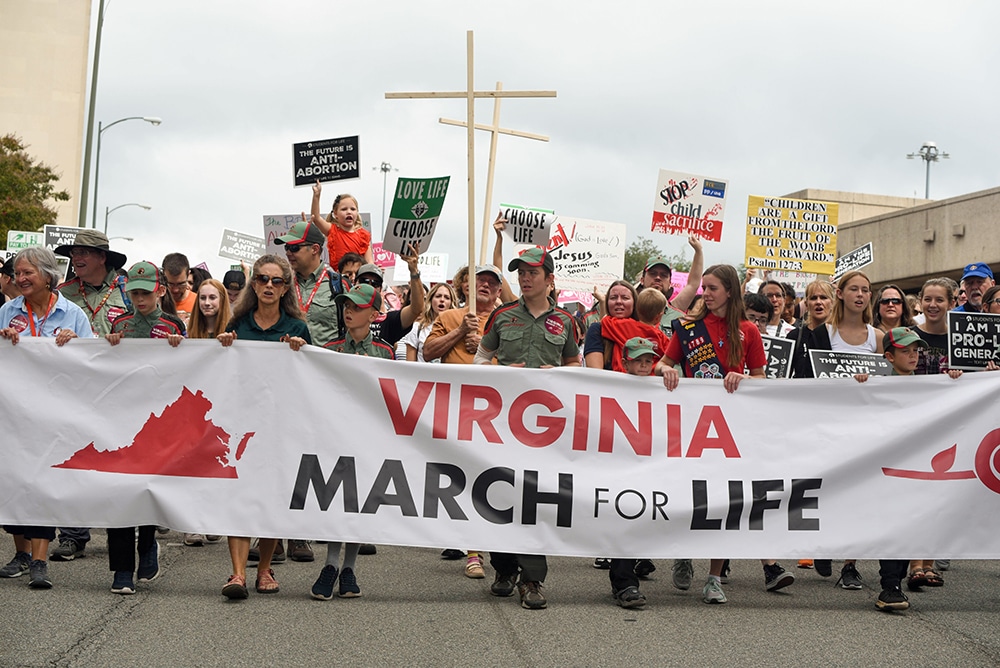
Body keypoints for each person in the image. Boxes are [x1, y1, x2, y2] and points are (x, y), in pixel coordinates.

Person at [656, 264, 792, 604]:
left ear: (729, 291)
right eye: (704, 287)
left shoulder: (748, 331)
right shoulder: (688, 328)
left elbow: (762, 377)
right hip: (691, 425)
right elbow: (662, 362)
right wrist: (666, 373)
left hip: (730, 429)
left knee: (723, 501)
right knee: (689, 494)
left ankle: (715, 577)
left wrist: (745, 378)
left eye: (713, 287)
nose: (707, 293)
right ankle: (684, 552)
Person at [476, 247, 580, 610]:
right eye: (521, 271)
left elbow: (574, 365)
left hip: (544, 430)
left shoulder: (566, 321)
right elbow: (479, 360)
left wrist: (561, 375)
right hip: (502, 425)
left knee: (535, 500)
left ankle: (533, 580)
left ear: (549, 279)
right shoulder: (502, 316)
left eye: (533, 272)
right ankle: (504, 569)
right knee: (500, 495)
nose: (524, 277)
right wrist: (502, 372)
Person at [216, 255, 311, 599]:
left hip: (280, 425)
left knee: (271, 497)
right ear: (253, 284)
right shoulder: (237, 324)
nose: (269, 286)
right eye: (262, 279)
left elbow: (311, 377)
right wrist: (225, 347)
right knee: (239, 495)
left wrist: (302, 352)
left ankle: (265, 568)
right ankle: (238, 573)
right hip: (241, 425)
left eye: (276, 281)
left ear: (286, 288)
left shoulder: (298, 328)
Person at [0, 247, 94, 589]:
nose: (20, 279)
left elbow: (94, 359)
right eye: (17, 273)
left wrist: (78, 342)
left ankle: (39, 561)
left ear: (47, 276)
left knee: (42, 482)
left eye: (28, 273)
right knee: (15, 481)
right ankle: (21, 554)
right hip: (14, 413)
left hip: (55, 414)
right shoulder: (7, 311)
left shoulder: (73, 314)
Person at [103, 261, 184, 594]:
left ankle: (148, 543)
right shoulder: (119, 323)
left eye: (146, 292)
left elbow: (190, 371)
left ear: (160, 291)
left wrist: (182, 347)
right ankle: (122, 569)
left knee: (148, 487)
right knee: (119, 491)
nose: (140, 299)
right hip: (120, 420)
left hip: (157, 422)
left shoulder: (172, 324)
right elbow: (100, 365)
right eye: (134, 292)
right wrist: (107, 344)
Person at [309, 283, 394, 601]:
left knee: (360, 502)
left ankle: (349, 568)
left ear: (374, 314)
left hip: (369, 438)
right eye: (345, 305)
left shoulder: (384, 352)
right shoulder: (330, 348)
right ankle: (330, 564)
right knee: (336, 499)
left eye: (357, 307)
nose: (348, 311)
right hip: (336, 435)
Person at [423, 264, 506, 577]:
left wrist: (486, 351)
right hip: (457, 408)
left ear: (499, 290)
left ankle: (497, 549)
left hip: (495, 411)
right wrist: (460, 333)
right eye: (478, 280)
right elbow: (428, 352)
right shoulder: (449, 318)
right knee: (469, 477)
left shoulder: (506, 321)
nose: (484, 285)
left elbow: (515, 363)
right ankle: (473, 550)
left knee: (494, 478)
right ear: (464, 286)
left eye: (491, 282)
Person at [872, 327, 931, 611]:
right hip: (886, 468)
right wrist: (861, 383)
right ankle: (889, 584)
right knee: (891, 523)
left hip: (915, 466)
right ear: (888, 356)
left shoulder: (929, 385)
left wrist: (956, 383)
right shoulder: (878, 384)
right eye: (905, 350)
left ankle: (893, 584)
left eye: (916, 350)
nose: (913, 355)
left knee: (908, 522)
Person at [275, 220, 347, 349]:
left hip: (325, 363)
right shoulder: (282, 284)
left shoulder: (339, 284)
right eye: (287, 247)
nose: (288, 253)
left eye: (294, 248)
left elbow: (353, 328)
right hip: (291, 362)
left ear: (315, 249)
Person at [55, 229, 129, 337]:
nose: (76, 258)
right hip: (75, 353)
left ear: (102, 257)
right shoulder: (62, 293)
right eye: (74, 253)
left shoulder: (129, 291)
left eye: (83, 253)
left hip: (115, 354)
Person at [638, 235, 703, 334]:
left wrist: (698, 251)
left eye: (663, 275)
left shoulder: (676, 311)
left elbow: (693, 284)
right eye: (653, 273)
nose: (658, 278)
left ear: (670, 284)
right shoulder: (630, 308)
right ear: (642, 280)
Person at [309, 181, 374, 267]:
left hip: (357, 277)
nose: (349, 212)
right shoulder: (332, 230)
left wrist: (374, 270)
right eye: (344, 209)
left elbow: (369, 261)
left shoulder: (363, 235)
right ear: (335, 214)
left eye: (353, 209)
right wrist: (316, 196)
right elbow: (316, 218)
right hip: (338, 278)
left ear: (357, 212)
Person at [787, 280, 835, 380]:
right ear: (807, 304)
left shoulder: (841, 336)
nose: (818, 302)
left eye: (823, 297)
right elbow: (784, 373)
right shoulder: (795, 336)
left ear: (832, 303)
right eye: (813, 298)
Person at [402, 282, 458, 363]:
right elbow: (410, 366)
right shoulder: (417, 329)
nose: (442, 300)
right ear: (431, 301)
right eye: (438, 296)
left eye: (447, 297)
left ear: (451, 303)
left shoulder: (457, 330)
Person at [162, 253, 197, 325]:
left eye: (181, 284)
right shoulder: (155, 303)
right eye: (170, 284)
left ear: (188, 274)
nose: (175, 290)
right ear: (163, 274)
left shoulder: (198, 302)